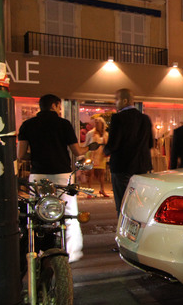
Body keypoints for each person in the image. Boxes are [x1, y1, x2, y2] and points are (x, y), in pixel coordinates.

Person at [17, 94, 96, 263]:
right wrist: (90, 146)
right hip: (62, 175)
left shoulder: (27, 125)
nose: (60, 110)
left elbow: (21, 154)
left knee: (36, 214)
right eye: (59, 107)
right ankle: (72, 253)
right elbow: (78, 152)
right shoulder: (63, 124)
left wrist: (38, 155)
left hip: (38, 176)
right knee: (70, 214)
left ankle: (35, 251)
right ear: (54, 105)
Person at [103, 88, 153, 214]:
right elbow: (150, 143)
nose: (115, 102)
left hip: (122, 167)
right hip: (141, 167)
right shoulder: (145, 119)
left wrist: (105, 150)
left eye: (117, 99)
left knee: (123, 203)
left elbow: (114, 144)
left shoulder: (118, 118)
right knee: (140, 202)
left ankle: (124, 229)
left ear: (125, 100)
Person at [84, 117, 110, 197]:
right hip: (92, 154)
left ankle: (102, 189)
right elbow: (86, 143)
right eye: (96, 123)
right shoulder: (91, 133)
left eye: (98, 123)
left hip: (101, 155)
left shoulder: (106, 134)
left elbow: (108, 145)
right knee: (90, 173)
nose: (97, 124)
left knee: (101, 173)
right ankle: (89, 191)